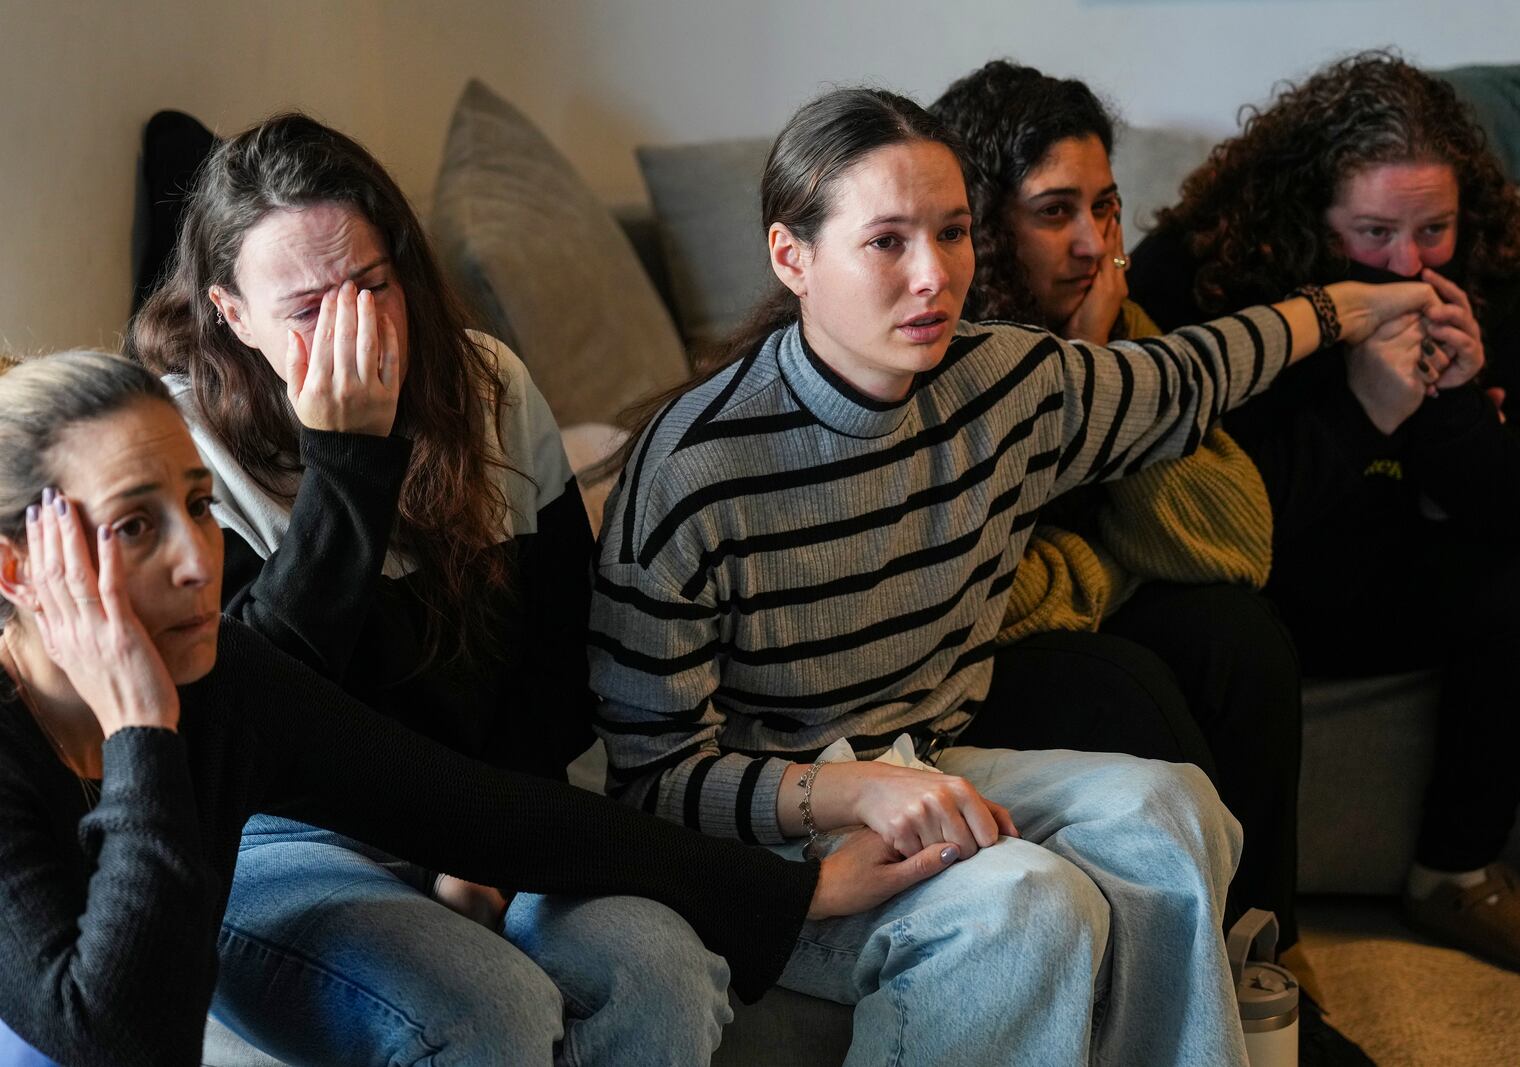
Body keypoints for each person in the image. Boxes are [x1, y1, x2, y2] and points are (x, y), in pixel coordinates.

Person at [588, 87, 1441, 1066]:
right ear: (793, 258)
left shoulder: (1004, 381)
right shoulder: (696, 468)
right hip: (775, 820)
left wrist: (1345, 309)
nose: (933, 276)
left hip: (929, 762)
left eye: (951, 233)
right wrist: (848, 793)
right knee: (1034, 899)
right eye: (887, 242)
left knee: (1173, 806)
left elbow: (1187, 375)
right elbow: (648, 779)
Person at [122, 112, 951, 1065]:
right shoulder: (182, 454)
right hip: (286, 838)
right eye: (309, 309)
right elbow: (263, 728)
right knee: (487, 1009)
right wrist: (348, 462)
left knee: (663, 973)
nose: (356, 327)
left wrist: (483, 855)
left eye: (373, 285)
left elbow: (559, 670)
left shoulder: (488, 389)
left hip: (492, 804)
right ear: (232, 313)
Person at [0, 349, 951, 1067]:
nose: (196, 560)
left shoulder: (223, 681)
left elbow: (482, 813)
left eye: (200, 507)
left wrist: (792, 890)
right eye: (134, 523)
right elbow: (122, 1037)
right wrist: (139, 733)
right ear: (15, 567)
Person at [1128, 51, 1520, 979]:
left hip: (1402, 568)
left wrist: (1454, 406)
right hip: (1263, 580)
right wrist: (1361, 414)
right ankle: (1259, 933)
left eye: (1435, 228)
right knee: (1221, 630)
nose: (1410, 264)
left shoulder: (1498, 266)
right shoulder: (1208, 268)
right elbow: (1207, 523)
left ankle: (1456, 872)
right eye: (1375, 231)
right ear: (1315, 215)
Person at [929, 59, 1320, 1012]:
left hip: (1058, 621)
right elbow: (992, 599)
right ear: (983, 219)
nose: (1091, 244)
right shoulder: (940, 348)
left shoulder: (1120, 320)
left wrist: (1105, 362)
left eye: (1105, 209)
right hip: (959, 670)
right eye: (1055, 212)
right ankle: (1204, 973)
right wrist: (1106, 560)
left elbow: (1233, 542)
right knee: (1125, 681)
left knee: (1240, 637)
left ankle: (1267, 939)